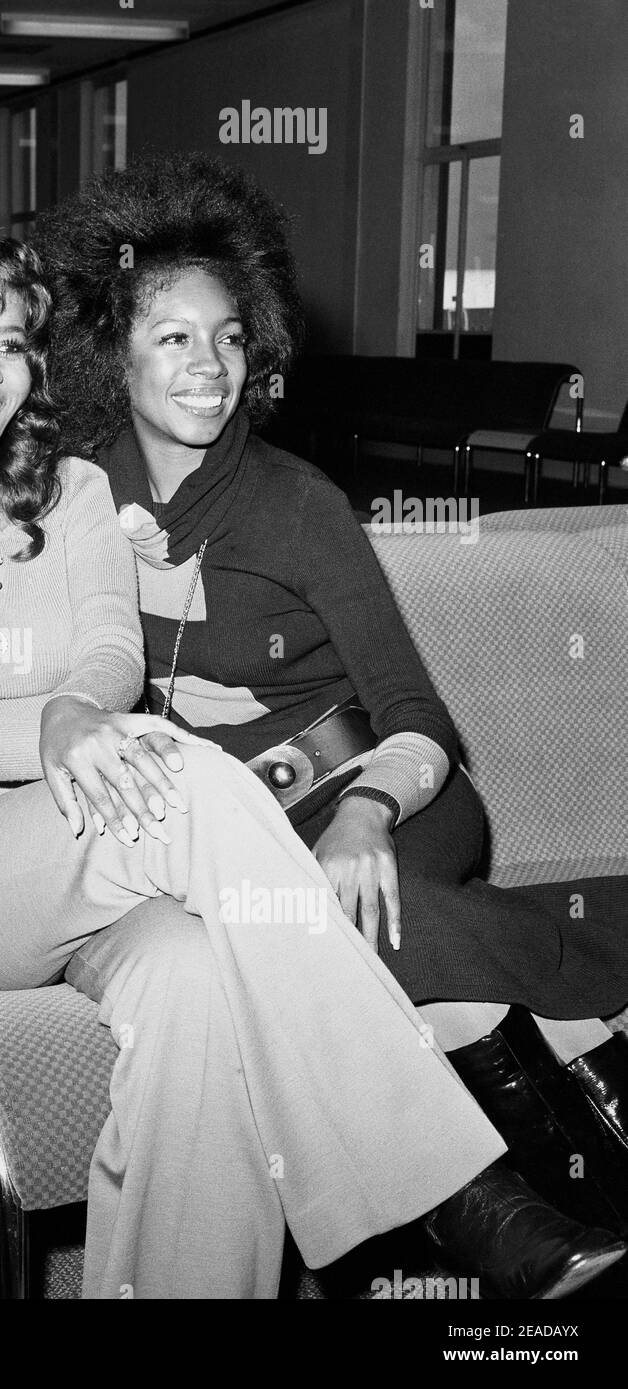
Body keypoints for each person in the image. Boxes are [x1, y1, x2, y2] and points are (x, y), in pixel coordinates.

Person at [0, 221, 625, 1298]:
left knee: (198, 988)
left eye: (6, 342)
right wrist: (50, 731)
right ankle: (453, 1191)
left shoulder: (73, 493)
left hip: (107, 832)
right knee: (179, 770)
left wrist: (82, 713)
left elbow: (105, 648)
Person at [33, 150, 628, 1236]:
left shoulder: (297, 504)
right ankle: (572, 1065)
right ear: (107, 355)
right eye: (171, 337)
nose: (208, 365)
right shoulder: (77, 496)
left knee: (328, 925)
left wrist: (363, 812)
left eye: (226, 337)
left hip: (373, 795)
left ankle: (598, 961)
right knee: (265, 933)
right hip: (225, 827)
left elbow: (418, 718)